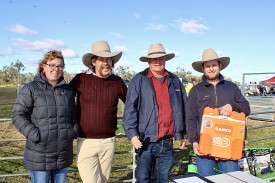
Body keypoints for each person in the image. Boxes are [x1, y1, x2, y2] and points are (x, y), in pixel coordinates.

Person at [122, 43, 187, 182]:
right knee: (143, 179)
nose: (158, 61)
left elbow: (183, 107)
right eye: (154, 58)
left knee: (163, 179)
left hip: (167, 142)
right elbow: (130, 109)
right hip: (145, 141)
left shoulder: (175, 80)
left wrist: (182, 133)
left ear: (165, 59)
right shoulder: (139, 79)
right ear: (148, 61)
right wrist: (132, 134)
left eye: (161, 58)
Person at [12, 50, 79, 183]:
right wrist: (35, 135)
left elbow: (73, 114)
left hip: (63, 153)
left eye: (60, 66)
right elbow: (17, 115)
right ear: (44, 66)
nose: (56, 69)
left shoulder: (67, 90)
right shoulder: (31, 89)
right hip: (39, 154)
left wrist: (73, 131)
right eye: (52, 65)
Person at [186, 48, 250, 177]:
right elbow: (190, 117)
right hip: (204, 143)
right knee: (206, 178)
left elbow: (246, 108)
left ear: (220, 66)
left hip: (228, 143)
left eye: (214, 65)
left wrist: (232, 106)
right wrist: (193, 141)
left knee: (231, 178)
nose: (211, 69)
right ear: (203, 68)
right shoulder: (196, 91)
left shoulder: (231, 87)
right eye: (207, 66)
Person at [69, 40, 127, 183]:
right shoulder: (80, 80)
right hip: (85, 142)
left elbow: (133, 105)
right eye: (101, 59)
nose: (106, 63)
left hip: (108, 142)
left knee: (103, 180)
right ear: (93, 62)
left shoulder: (117, 82)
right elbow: (63, 100)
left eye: (108, 59)